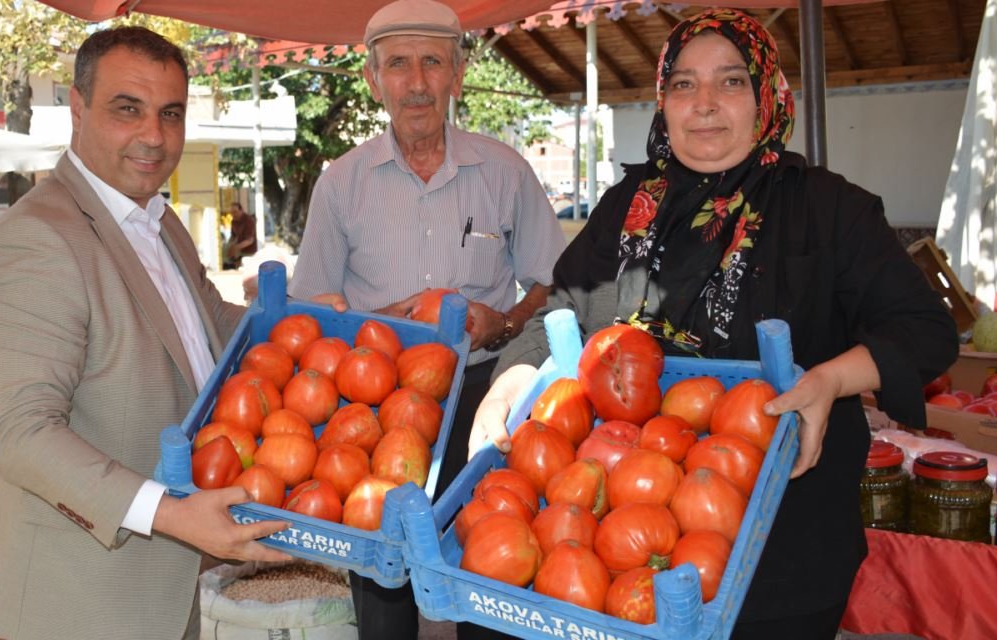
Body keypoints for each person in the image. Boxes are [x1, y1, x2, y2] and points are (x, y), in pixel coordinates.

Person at [470, 9, 958, 639]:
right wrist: (507, 387)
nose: (704, 104)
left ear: (766, 96)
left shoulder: (828, 207)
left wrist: (831, 379)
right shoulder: (629, 206)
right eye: (683, 84)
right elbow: (560, 309)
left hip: (786, 539)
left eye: (730, 81)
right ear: (663, 101)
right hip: (628, 527)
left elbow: (926, 332)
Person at [0, 26, 289, 640]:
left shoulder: (158, 221)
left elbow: (206, 327)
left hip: (176, 585)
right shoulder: (39, 240)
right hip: (87, 606)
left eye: (171, 113)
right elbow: (20, 432)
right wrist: (172, 515)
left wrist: (311, 327)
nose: (155, 136)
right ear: (78, 110)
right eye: (127, 109)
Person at [289, 1, 564, 638]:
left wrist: (507, 320)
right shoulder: (342, 183)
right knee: (382, 571)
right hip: (378, 395)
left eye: (433, 63)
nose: (416, 82)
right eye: (398, 65)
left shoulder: (504, 171)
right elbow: (309, 310)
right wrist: (390, 321)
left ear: (457, 75)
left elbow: (554, 281)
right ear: (372, 79)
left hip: (485, 392)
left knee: (490, 559)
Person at [222, 201, 257, 269]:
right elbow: (233, 236)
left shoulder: (248, 221)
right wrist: (230, 246)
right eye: (231, 213)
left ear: (241, 210)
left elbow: (250, 240)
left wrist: (235, 248)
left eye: (235, 212)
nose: (233, 214)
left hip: (250, 251)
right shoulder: (234, 221)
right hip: (240, 250)